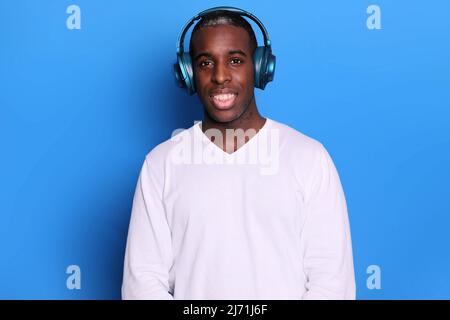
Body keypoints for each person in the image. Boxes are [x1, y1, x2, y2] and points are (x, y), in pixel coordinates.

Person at [121, 7, 356, 300]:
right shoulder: (161, 165)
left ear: (259, 68)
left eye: (235, 60)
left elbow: (332, 281)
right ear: (189, 74)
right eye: (206, 63)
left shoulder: (309, 157)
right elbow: (142, 282)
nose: (220, 76)